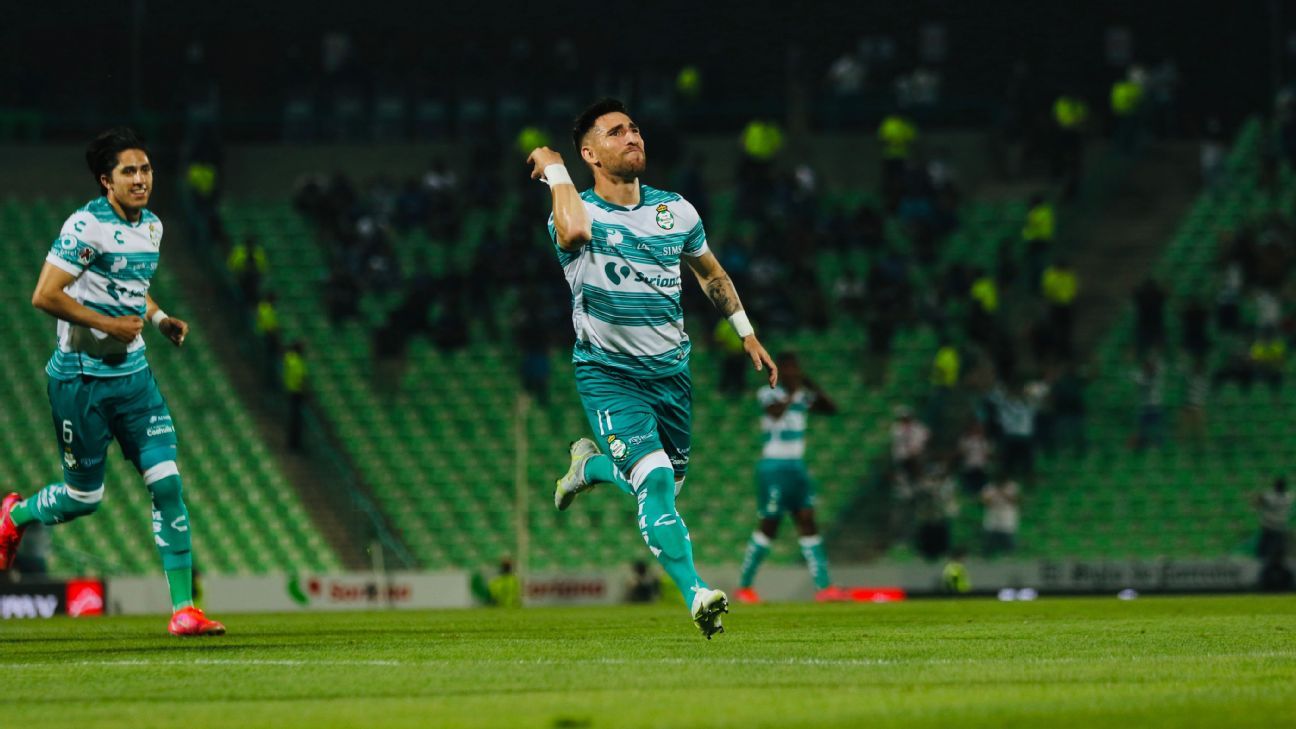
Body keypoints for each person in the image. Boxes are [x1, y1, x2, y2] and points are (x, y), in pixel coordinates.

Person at [528, 99, 777, 638]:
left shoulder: (676, 210)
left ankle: (588, 468)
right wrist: (554, 169)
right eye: (616, 132)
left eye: (635, 128)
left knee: (662, 484)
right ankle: (697, 593)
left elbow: (711, 274)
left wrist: (746, 333)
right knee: (655, 480)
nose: (632, 137)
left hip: (672, 376)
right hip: (608, 374)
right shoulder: (576, 209)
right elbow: (571, 234)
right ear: (590, 154)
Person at [0, 128, 224, 636]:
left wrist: (160, 316)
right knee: (85, 500)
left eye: (146, 169)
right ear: (107, 180)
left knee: (167, 483)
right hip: (81, 380)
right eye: (129, 171)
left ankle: (183, 610)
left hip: (134, 378)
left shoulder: (153, 227)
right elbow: (44, 295)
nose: (141, 179)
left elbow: (132, 288)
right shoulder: (85, 226)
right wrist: (107, 324)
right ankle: (15, 516)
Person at [734, 352, 847, 604]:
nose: (793, 372)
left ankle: (824, 587)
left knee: (807, 519)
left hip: (796, 467)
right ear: (779, 371)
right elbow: (775, 414)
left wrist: (810, 384)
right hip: (773, 466)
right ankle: (744, 587)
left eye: (796, 368)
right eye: (788, 368)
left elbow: (831, 408)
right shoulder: (768, 393)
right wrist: (795, 392)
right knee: (769, 525)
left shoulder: (803, 396)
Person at [1252, 477, 1294, 590]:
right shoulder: (1288, 497)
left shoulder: (1270, 496)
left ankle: (1263, 578)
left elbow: (1257, 501)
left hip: (1269, 528)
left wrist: (1258, 494)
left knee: (1264, 554)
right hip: (1281, 528)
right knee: (1280, 554)